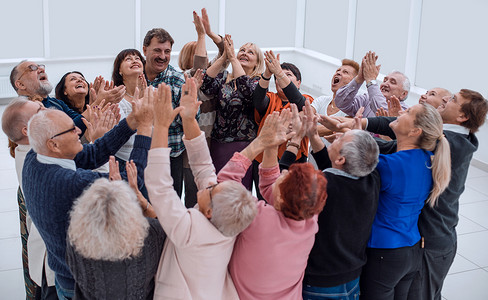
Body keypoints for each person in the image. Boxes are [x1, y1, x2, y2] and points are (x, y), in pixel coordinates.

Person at [22, 86, 154, 299]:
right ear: (53, 144)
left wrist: (132, 121)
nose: (78, 132)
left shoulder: (35, 156)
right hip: (82, 283)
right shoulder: (71, 183)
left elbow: (93, 153)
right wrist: (146, 128)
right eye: (70, 130)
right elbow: (133, 184)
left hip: (64, 273)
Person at [145, 78, 257, 299]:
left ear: (208, 212)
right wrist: (188, 118)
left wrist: (160, 125)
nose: (210, 184)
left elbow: (160, 187)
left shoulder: (190, 231)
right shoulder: (229, 223)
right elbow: (204, 168)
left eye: (212, 189)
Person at [280, 101, 381, 300]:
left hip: (320, 282)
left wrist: (296, 139)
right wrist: (313, 135)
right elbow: (333, 167)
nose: (335, 138)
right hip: (352, 277)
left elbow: (280, 181)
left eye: (340, 139)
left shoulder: (321, 186)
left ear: (342, 159)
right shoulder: (371, 178)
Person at [225, 106, 327, 299]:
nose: (284, 172)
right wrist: (276, 145)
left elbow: (224, 186)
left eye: (284, 177)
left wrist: (260, 143)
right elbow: (271, 185)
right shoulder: (309, 220)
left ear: (279, 198)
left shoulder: (258, 216)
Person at [357, 103, 451, 300]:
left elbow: (352, 173)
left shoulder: (388, 165)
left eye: (408, 112)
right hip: (412, 251)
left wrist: (355, 140)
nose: (400, 112)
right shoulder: (430, 159)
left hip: (385, 252)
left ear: (415, 131)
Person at [66, 162, 165, 299]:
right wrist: (138, 197)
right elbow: (172, 233)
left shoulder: (76, 239)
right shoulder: (152, 233)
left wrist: (119, 194)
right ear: (131, 211)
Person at [1, 98, 57, 299]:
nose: (47, 111)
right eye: (40, 110)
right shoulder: (37, 159)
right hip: (51, 258)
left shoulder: (37, 151)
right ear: (27, 130)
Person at [201, 34, 265, 190]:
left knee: (238, 192)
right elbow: (206, 84)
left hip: (244, 145)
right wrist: (224, 57)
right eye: (242, 50)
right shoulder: (224, 77)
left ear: (257, 62)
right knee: (216, 190)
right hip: (219, 143)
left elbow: (248, 92)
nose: (244, 53)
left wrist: (234, 59)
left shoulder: (259, 81)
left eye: (250, 52)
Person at [177, 9, 226, 208]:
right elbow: (200, 68)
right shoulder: (183, 78)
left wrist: (211, 34)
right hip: (191, 150)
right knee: (193, 196)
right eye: (200, 52)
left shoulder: (210, 76)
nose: (204, 55)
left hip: (213, 145)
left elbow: (226, 54)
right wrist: (201, 36)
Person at [143, 27, 187, 197]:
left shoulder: (178, 79)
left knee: (170, 207)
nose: (163, 56)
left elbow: (190, 119)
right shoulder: (134, 76)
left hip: (170, 157)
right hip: (141, 154)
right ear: (145, 49)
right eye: (157, 50)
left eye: (167, 51)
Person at [335, 51, 410, 117]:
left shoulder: (406, 112)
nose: (385, 84)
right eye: (385, 80)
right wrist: (359, 78)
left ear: (403, 94)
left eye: (392, 82)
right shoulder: (367, 99)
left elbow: (383, 112)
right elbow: (340, 102)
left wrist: (371, 80)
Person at [111, 48, 147, 165]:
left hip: (150, 158)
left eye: (137, 58)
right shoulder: (114, 97)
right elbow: (119, 134)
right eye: (128, 59)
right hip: (121, 160)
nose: (134, 61)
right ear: (119, 70)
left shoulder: (154, 93)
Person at [311, 59, 359, 144]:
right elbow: (306, 118)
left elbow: (308, 127)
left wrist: (307, 128)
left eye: (345, 72)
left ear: (353, 82)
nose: (338, 73)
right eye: (338, 70)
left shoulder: (354, 108)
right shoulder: (321, 100)